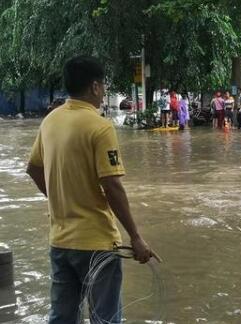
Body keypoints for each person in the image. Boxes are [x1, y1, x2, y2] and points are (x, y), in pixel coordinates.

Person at [26, 55, 159, 324]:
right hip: (97, 244)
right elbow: (112, 186)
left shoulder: (50, 121)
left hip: (60, 241)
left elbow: (34, 169)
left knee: (62, 317)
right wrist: (135, 236)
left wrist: (61, 197)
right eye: (104, 86)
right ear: (95, 87)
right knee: (106, 318)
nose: (104, 91)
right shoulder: (99, 126)